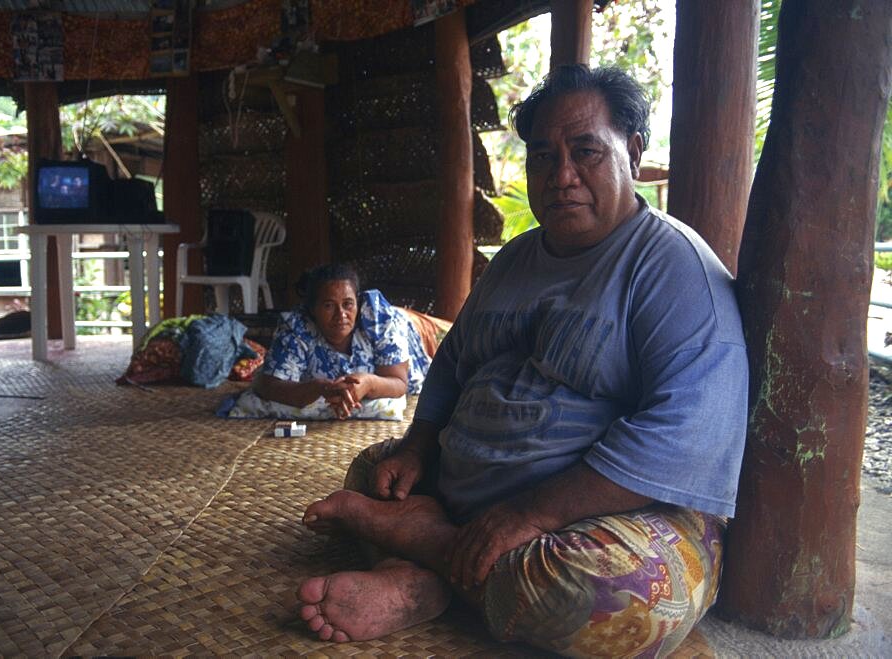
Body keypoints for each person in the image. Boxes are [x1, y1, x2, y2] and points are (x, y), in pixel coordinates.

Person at [295, 65, 749, 656]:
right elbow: (452, 365)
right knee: (374, 472)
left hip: (591, 516)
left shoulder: (672, 265)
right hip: (480, 495)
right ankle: (434, 573)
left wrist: (530, 514)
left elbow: (689, 433)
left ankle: (423, 553)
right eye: (541, 157)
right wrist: (418, 446)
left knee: (606, 598)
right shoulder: (514, 260)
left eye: (586, 151)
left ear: (633, 152)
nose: (561, 176)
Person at [250, 263, 432, 419]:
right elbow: (268, 386)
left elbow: (399, 382)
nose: (341, 315)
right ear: (312, 309)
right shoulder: (297, 328)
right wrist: (319, 388)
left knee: (437, 333)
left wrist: (369, 383)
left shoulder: (381, 319)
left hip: (414, 330)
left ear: (358, 303)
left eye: (348, 304)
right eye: (328, 305)